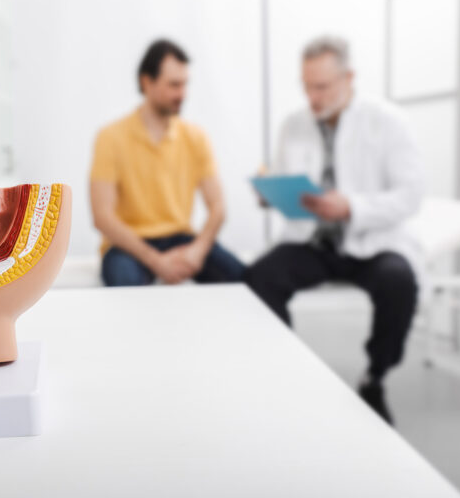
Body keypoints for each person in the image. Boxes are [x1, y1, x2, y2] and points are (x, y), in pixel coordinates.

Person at [245, 36, 424, 424]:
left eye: (322, 86)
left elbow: (410, 196)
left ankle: (375, 376)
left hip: (371, 242)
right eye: (307, 86)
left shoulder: (388, 121)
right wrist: (269, 193)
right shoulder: (293, 125)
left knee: (399, 281)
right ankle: (288, 370)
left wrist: (352, 207)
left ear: (349, 78)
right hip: (313, 241)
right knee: (260, 277)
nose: (313, 97)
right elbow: (286, 179)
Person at [90, 39, 245, 286]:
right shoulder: (110, 137)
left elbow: (218, 206)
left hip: (181, 239)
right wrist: (156, 261)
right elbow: (102, 216)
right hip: (128, 245)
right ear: (146, 82)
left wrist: (198, 251)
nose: (182, 94)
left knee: (244, 279)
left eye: (185, 84)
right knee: (125, 283)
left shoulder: (196, 137)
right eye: (174, 85)